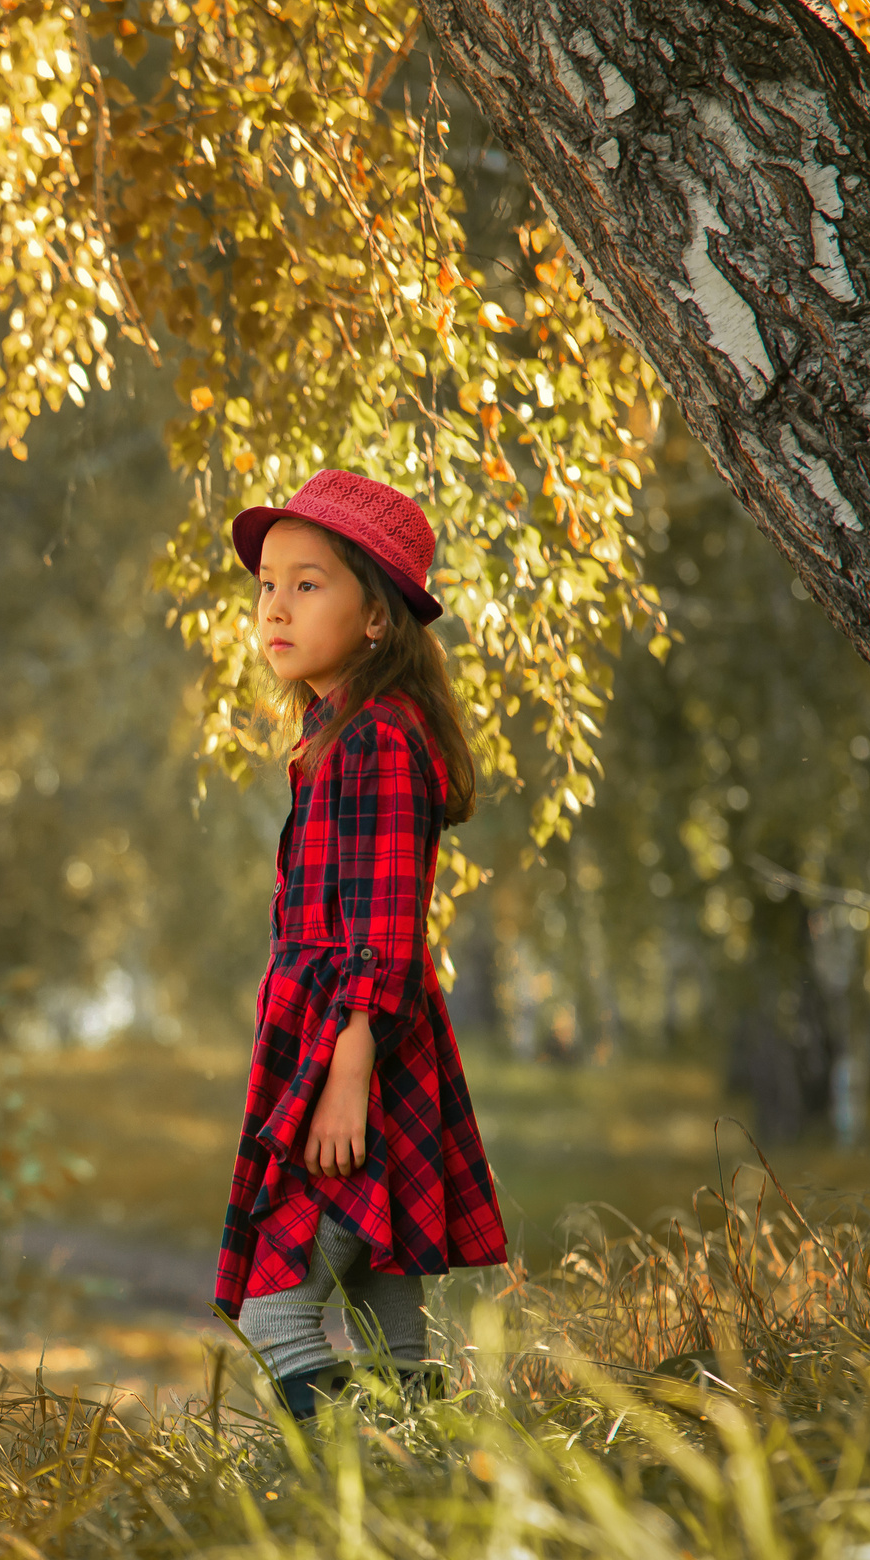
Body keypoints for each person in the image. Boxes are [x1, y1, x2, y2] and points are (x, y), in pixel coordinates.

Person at [213, 470, 509, 1420]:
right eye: (268, 584)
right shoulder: (336, 728)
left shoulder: (379, 738)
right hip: (353, 1044)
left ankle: (339, 1484)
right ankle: (421, 1479)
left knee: (276, 1310)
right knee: (386, 1302)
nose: (276, 606)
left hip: (357, 1055)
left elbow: (383, 930)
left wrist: (345, 1072)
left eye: (308, 584)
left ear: (377, 617)